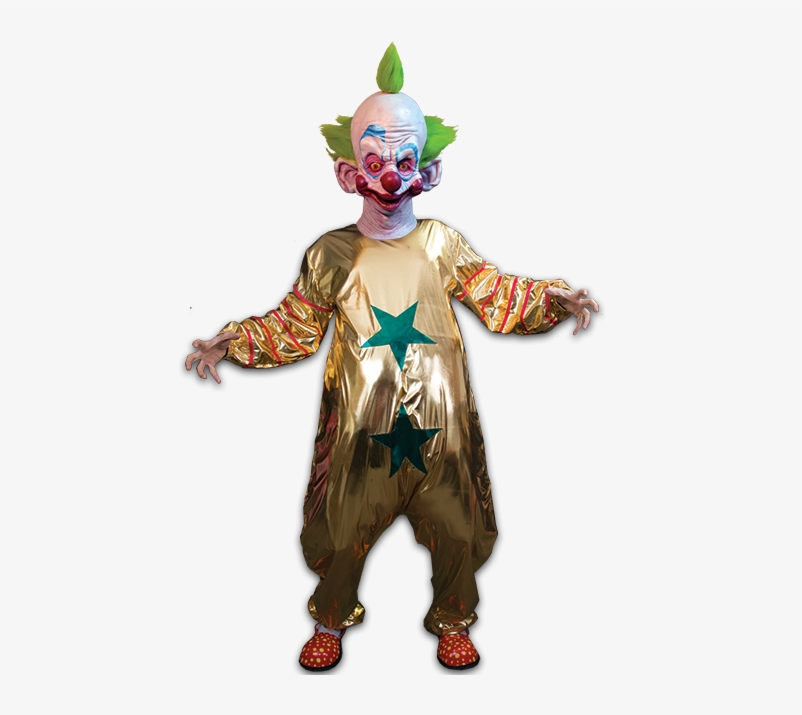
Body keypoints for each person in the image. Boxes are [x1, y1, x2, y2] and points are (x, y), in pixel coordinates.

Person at [185, 44, 598, 672]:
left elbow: (496, 292)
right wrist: (235, 341)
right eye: (375, 162)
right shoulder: (331, 254)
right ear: (349, 173)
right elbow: (295, 324)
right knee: (343, 526)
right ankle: (330, 617)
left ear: (428, 172)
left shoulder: (441, 244)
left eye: (404, 161)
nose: (389, 178)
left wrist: (550, 299)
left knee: (456, 526)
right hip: (359, 434)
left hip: (443, 433)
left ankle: (454, 617)